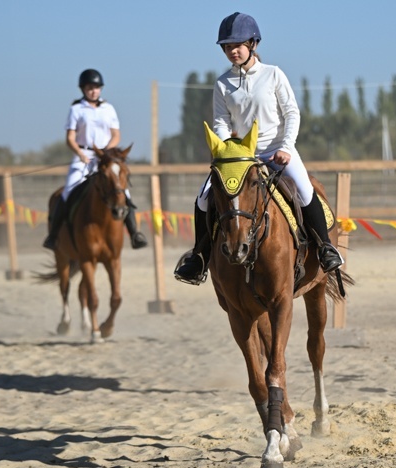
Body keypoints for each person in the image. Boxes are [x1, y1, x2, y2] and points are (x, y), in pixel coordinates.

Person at [174, 12, 343, 285]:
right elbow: (219, 120)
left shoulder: (273, 74)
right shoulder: (222, 83)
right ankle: (199, 257)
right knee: (204, 197)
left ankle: (325, 248)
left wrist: (287, 147)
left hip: (276, 150)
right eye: (227, 47)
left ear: (253, 43)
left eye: (237, 45)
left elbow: (292, 113)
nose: (232, 51)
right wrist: (226, 145)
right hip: (241, 157)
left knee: (304, 190)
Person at [43, 69, 147, 250]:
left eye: (96, 88)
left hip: (105, 158)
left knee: (124, 192)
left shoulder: (109, 109)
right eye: (90, 88)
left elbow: (116, 135)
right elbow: (70, 138)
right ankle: (54, 235)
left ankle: (134, 234)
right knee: (68, 191)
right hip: (83, 156)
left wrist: (107, 153)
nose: (93, 91)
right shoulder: (76, 109)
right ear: (83, 89)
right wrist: (80, 154)